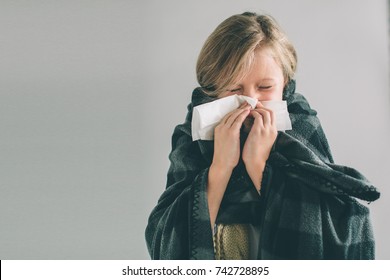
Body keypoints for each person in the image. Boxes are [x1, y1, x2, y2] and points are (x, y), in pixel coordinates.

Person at [145, 12, 380, 260]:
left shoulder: (303, 130)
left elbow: (336, 230)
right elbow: (164, 242)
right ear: (213, 91)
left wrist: (258, 164)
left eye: (265, 87)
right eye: (234, 89)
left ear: (284, 82)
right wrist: (221, 166)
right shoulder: (192, 138)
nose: (250, 102)